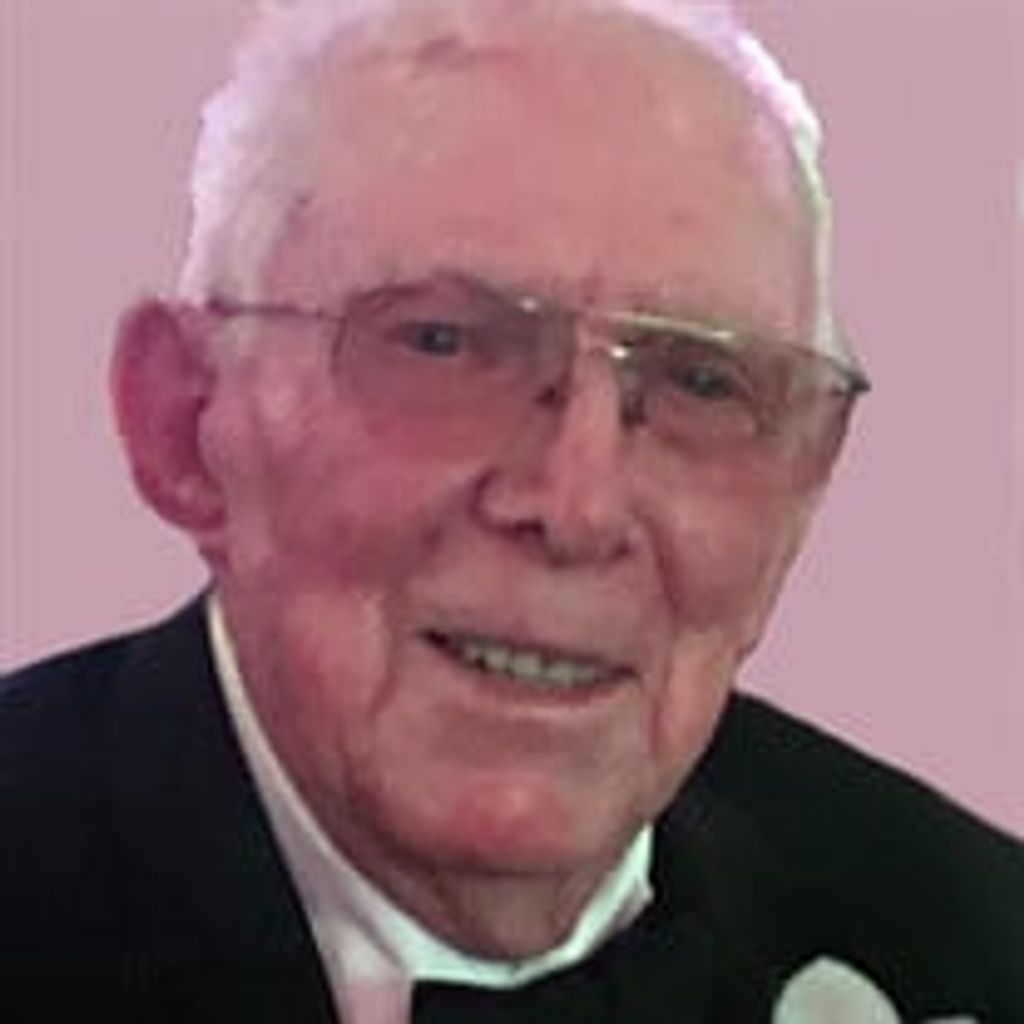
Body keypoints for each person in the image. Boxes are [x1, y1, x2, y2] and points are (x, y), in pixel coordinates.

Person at [2, 1, 1022, 1021]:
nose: (577, 507)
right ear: (185, 425)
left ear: (802, 493)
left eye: (701, 383)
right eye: (443, 344)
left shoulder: (973, 938)